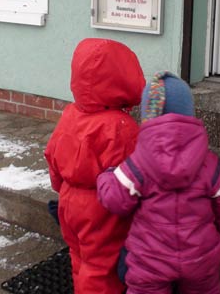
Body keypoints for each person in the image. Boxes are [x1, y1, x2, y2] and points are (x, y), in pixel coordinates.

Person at [97, 71, 220, 294]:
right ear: (188, 113)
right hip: (200, 260)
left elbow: (115, 201)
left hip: (149, 262)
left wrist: (107, 175)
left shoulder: (138, 164)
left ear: (148, 117)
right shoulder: (214, 166)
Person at [44, 38, 145, 294]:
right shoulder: (121, 128)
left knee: (79, 257)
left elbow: (52, 154)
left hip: (69, 201)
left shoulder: (70, 114)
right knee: (101, 268)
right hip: (102, 210)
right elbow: (131, 178)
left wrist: (62, 188)